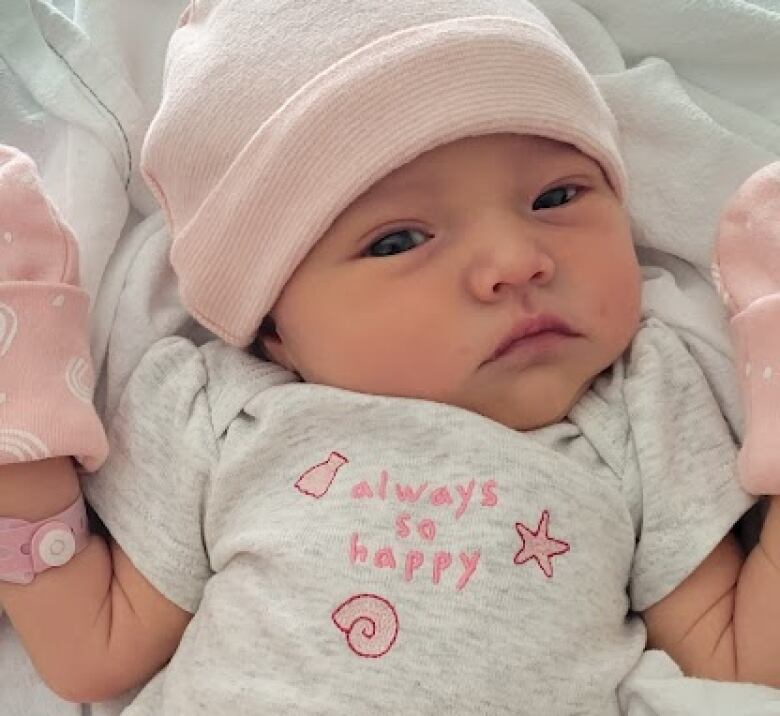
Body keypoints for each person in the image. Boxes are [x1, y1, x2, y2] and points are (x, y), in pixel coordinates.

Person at [0, 0, 778, 713]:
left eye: (557, 196)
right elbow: (89, 651)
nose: (516, 258)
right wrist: (23, 412)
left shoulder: (641, 406)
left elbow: (735, 654)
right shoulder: (224, 410)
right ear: (275, 327)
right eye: (399, 241)